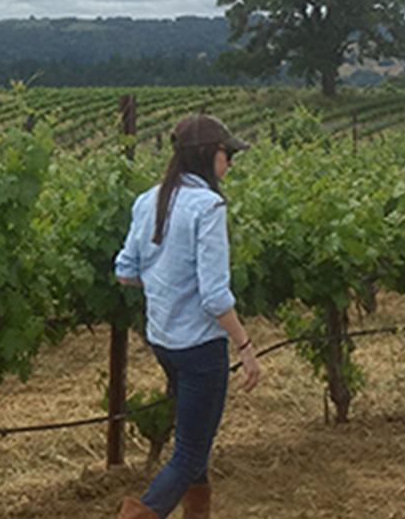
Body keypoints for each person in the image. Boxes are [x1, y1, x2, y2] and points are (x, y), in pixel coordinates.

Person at [113, 115, 262, 519]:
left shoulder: (147, 200)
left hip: (164, 341)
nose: (230, 162)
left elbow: (125, 272)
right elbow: (214, 296)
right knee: (191, 451)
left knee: (196, 443)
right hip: (200, 347)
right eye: (227, 154)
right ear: (207, 154)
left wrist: (165, 282)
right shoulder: (208, 206)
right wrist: (246, 346)